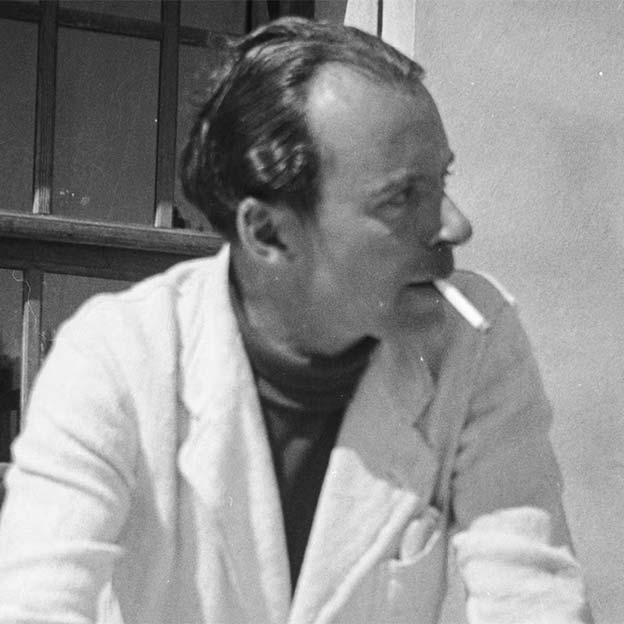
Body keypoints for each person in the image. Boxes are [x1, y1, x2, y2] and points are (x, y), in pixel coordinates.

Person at [0, 17, 591, 624]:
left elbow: (532, 597)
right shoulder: (116, 356)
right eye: (401, 196)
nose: (455, 226)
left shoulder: (474, 340)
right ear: (268, 233)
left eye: (441, 181)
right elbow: (37, 606)